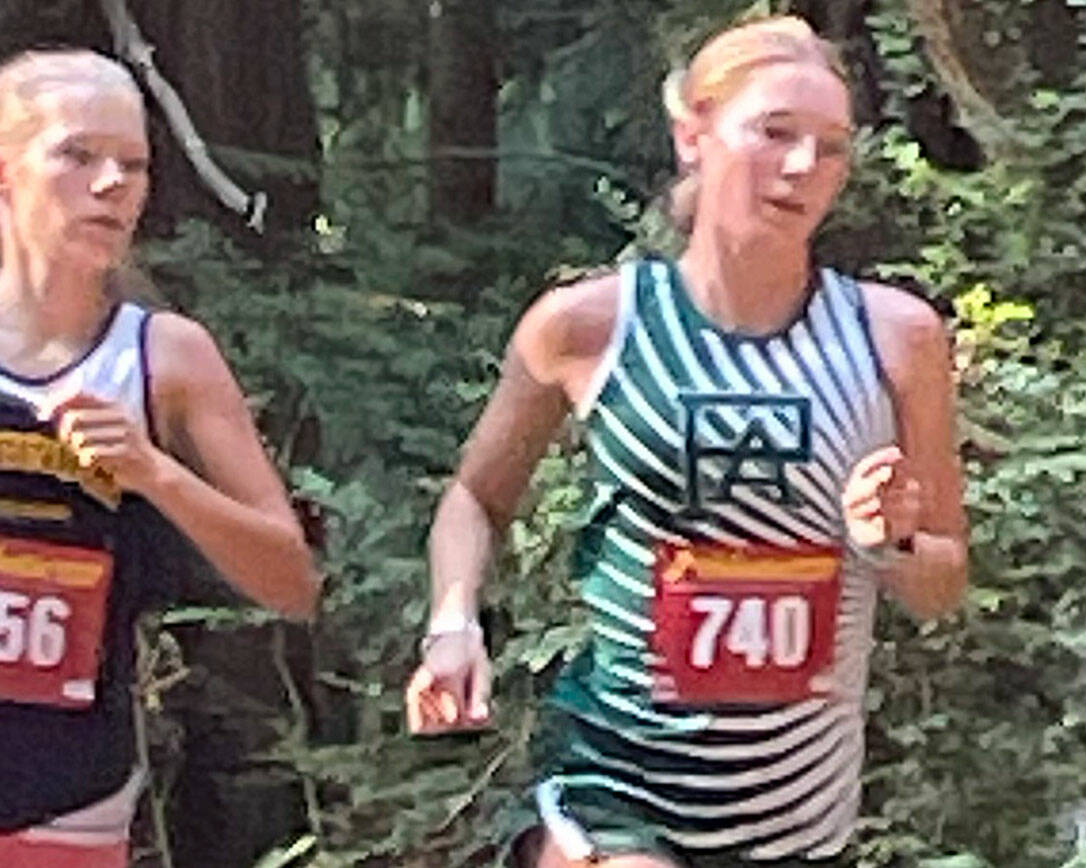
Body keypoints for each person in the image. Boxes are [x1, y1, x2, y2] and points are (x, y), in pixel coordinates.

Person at [406, 16, 968, 867]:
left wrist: (889, 543)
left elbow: (943, 582)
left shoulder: (897, 338)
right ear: (692, 135)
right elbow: (475, 498)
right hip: (615, 783)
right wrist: (453, 624)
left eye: (830, 148)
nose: (802, 167)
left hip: (798, 819)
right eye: (774, 133)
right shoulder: (588, 326)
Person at [0, 49, 320, 868]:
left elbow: (290, 583)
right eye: (78, 155)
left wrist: (155, 473)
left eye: (134, 165)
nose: (112, 184)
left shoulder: (167, 359)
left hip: (70, 798)